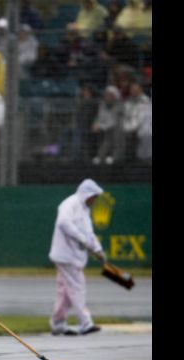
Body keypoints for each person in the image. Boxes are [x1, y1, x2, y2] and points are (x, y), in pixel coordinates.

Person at [48, 179, 106, 336]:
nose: (95, 200)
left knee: (65, 292)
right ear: (87, 194)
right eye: (94, 197)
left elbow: (89, 233)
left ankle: (58, 324)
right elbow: (63, 223)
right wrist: (84, 241)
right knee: (77, 287)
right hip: (66, 255)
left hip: (72, 256)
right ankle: (85, 323)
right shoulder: (70, 204)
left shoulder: (84, 209)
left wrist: (98, 249)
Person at [91, 85, 122, 165]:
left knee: (112, 133)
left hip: (116, 128)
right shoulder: (102, 105)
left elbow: (114, 121)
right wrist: (95, 124)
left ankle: (112, 156)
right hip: (103, 127)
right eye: (106, 95)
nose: (107, 97)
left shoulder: (119, 106)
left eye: (110, 95)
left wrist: (101, 126)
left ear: (114, 96)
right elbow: (98, 117)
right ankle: (99, 156)